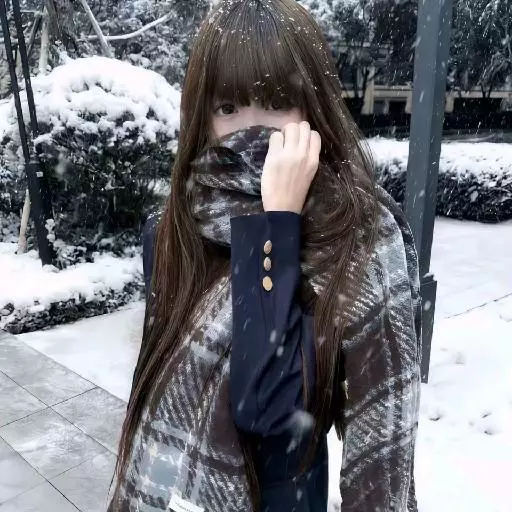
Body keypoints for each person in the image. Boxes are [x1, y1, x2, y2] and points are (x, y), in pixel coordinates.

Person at [107, 1, 422, 511]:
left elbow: (267, 407)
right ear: (203, 117)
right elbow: (159, 392)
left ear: (311, 109)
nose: (250, 130)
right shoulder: (174, 229)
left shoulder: (351, 234)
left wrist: (277, 224)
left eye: (275, 102)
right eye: (228, 107)